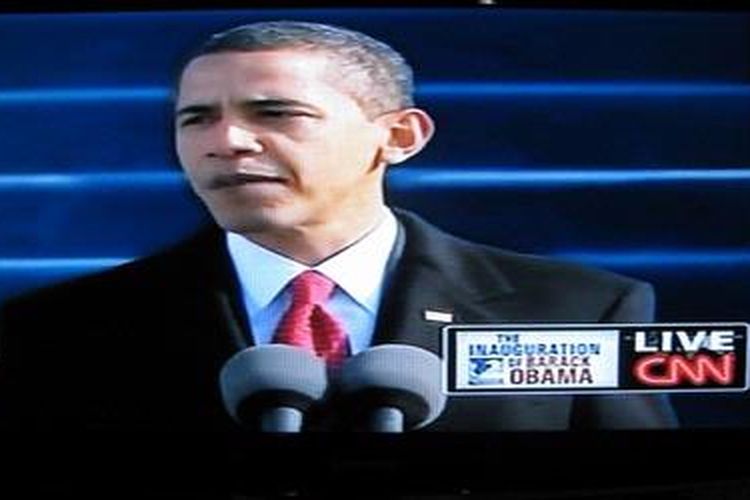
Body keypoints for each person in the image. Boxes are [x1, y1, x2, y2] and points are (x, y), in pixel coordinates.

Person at [0, 20, 677, 432]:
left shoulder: (574, 310)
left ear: (400, 137)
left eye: (275, 113)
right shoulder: (59, 330)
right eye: (196, 119)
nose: (227, 141)